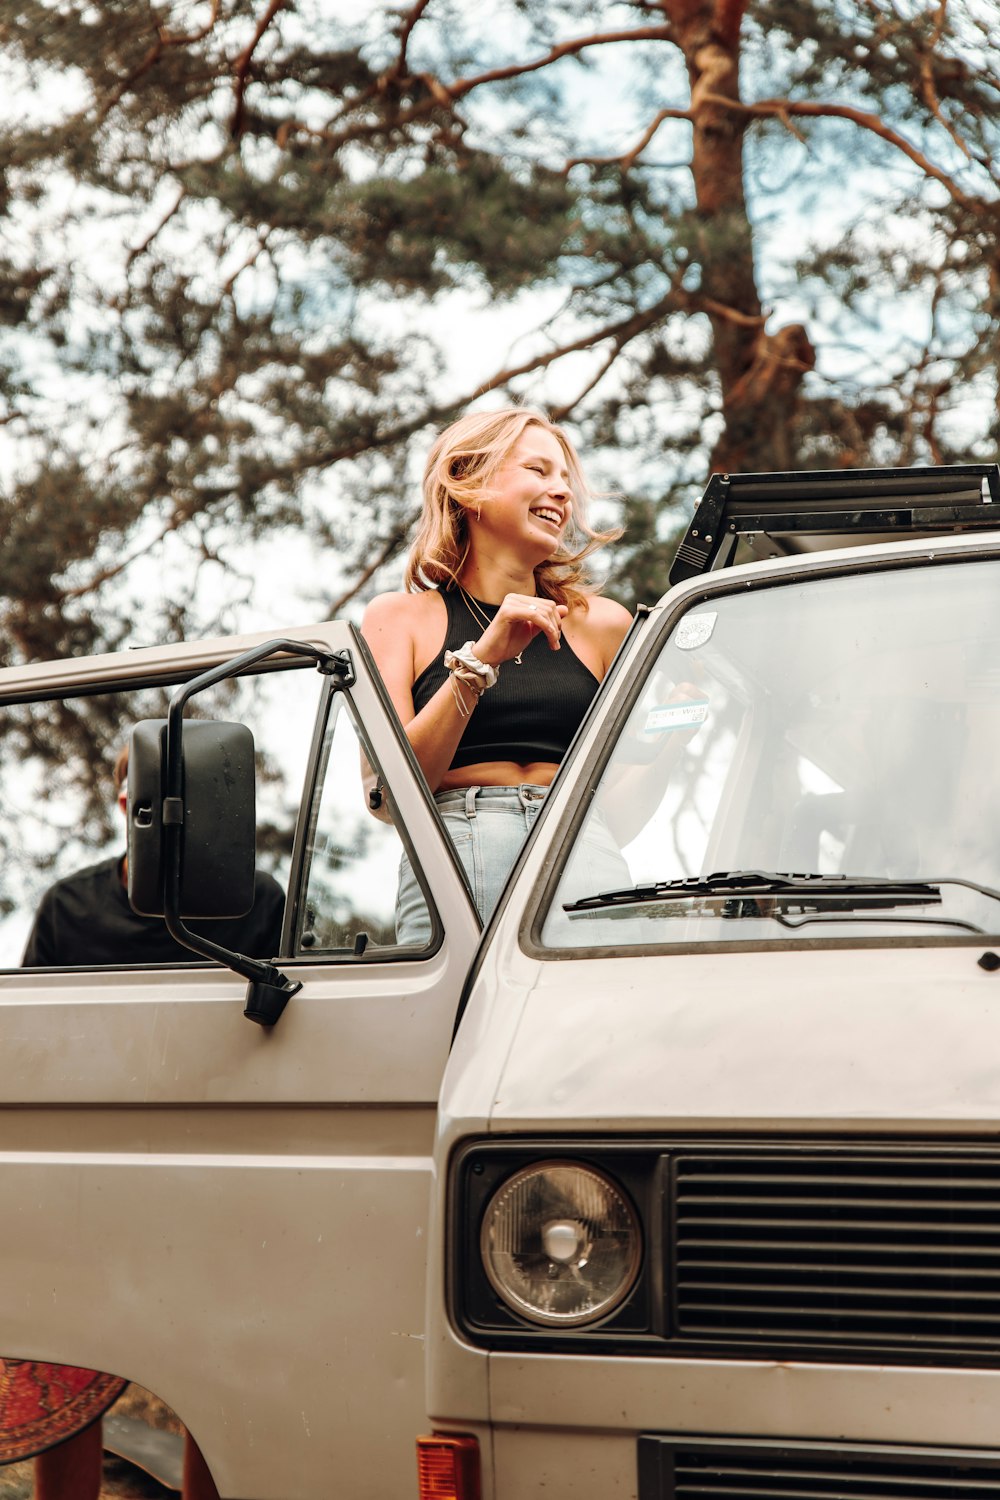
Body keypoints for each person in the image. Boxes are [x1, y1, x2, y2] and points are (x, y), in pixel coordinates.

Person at [17, 741, 286, 1500]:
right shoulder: (68, 905)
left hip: (220, 1167)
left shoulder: (258, 901)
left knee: (218, 1366)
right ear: (122, 801)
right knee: (69, 1366)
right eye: (144, 792)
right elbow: (31, 1045)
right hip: (87, 1169)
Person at [361, 405, 633, 941]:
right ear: (467, 484)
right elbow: (390, 796)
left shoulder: (605, 625)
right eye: (538, 471)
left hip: (586, 849)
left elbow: (619, 816)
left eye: (565, 479)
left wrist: (676, 733)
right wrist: (477, 662)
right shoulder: (400, 618)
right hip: (458, 851)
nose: (562, 492)